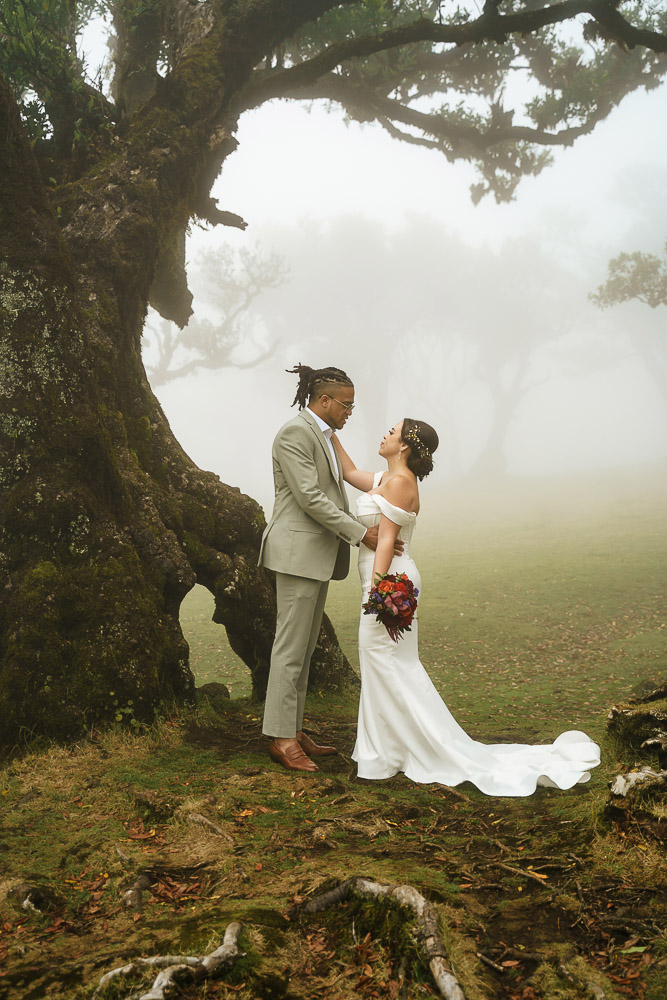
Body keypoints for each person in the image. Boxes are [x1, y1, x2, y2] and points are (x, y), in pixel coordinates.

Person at [332, 419, 601, 796]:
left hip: (390, 582)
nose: (385, 434)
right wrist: (328, 431)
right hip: (384, 577)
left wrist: (376, 592)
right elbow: (347, 472)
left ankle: (388, 755)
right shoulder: (386, 478)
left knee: (385, 662)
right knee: (386, 665)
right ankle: (386, 752)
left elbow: (387, 541)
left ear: (405, 445)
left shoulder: (400, 483)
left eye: (392, 431)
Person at [259, 364, 402, 773]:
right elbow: (309, 497)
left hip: (314, 556)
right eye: (346, 404)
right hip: (296, 555)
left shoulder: (322, 435)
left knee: (303, 649)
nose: (350, 412)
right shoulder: (294, 434)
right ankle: (281, 739)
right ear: (324, 400)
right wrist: (360, 533)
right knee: (290, 648)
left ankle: (292, 728)